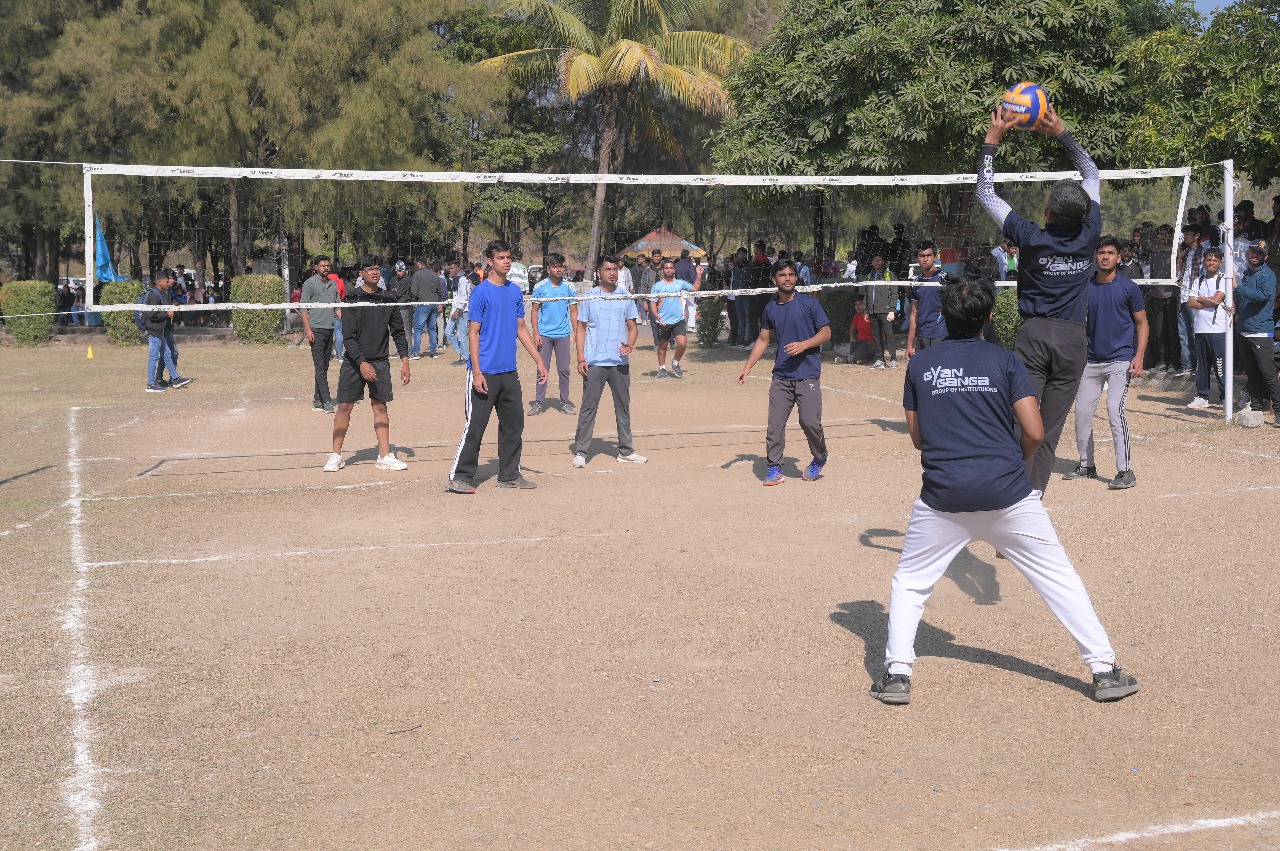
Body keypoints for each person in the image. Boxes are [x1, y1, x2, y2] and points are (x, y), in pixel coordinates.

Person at [871, 271, 1139, 706]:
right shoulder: (1006, 361)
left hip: (943, 498)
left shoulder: (921, 364)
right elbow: (1034, 431)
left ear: (942, 314)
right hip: (1009, 495)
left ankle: (898, 673)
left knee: (910, 583)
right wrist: (1015, 465)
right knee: (1058, 578)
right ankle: (1105, 670)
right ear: (989, 316)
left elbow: (918, 437)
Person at [976, 104, 1103, 494]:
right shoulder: (1090, 233)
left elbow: (984, 191)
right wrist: (1062, 133)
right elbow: (1092, 172)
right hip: (1071, 340)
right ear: (1083, 215)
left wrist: (992, 141)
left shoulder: (1030, 236)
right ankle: (1031, 502)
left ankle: (1009, 500)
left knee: (1020, 425)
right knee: (1048, 432)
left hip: (1033, 338)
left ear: (1047, 211)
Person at [448, 240, 548, 493]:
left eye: (508, 257)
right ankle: (460, 476)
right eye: (501, 257)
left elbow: (521, 328)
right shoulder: (481, 292)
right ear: (490, 262)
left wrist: (539, 360)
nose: (506, 261)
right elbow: (473, 333)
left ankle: (509, 475)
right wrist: (477, 371)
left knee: (514, 424)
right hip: (485, 371)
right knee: (476, 425)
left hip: (508, 371)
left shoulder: (514, 291)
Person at [1063, 236, 1147, 489]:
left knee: (1114, 411)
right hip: (1090, 361)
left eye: (1111, 252)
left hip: (1120, 360)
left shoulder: (1128, 287)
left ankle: (1125, 471)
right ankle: (1086, 464)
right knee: (1082, 413)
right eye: (1101, 252)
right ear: (1095, 257)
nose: (1105, 256)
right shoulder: (1086, 287)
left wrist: (1139, 356)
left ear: (1119, 258)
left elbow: (1142, 323)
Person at [737, 260, 831, 486]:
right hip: (781, 376)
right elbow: (762, 339)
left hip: (807, 374)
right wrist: (748, 366)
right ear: (774, 279)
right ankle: (774, 468)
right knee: (775, 425)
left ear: (796, 278)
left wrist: (805, 344)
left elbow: (826, 333)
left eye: (791, 274)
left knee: (809, 421)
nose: (787, 278)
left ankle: (819, 457)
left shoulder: (809, 304)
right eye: (782, 275)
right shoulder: (770, 308)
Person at [324, 256, 410, 473]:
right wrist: (362, 362)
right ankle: (335, 455)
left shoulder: (389, 298)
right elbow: (349, 337)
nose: (374, 272)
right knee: (344, 406)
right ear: (361, 273)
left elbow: (398, 332)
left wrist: (405, 361)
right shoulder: (352, 299)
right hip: (354, 362)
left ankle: (384, 455)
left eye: (377, 268)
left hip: (380, 361)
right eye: (369, 269)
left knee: (380, 406)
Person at [572, 255, 646, 468]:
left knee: (623, 406)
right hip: (594, 361)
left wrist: (630, 345)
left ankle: (626, 450)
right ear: (599, 273)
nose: (612, 273)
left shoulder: (624, 296)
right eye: (607, 269)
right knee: (589, 407)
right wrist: (580, 358)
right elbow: (581, 330)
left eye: (615, 269)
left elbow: (633, 327)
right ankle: (581, 451)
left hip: (619, 362)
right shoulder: (589, 297)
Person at [1231, 239, 1280, 428]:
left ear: (1265, 257)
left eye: (1259, 253)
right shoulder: (1247, 274)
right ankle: (1257, 408)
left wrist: (1238, 288)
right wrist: (1238, 314)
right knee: (1252, 373)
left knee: (1267, 373)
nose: (1254, 255)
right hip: (1244, 330)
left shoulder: (1267, 275)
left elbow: (1262, 297)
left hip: (1260, 332)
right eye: (1252, 251)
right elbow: (1246, 299)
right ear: (1247, 253)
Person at [529, 252, 577, 415]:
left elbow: (573, 312)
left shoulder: (569, 287)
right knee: (542, 369)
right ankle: (538, 402)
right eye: (555, 266)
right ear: (548, 269)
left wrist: (576, 333)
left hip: (563, 334)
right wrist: (536, 333)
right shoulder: (540, 287)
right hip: (544, 334)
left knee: (564, 369)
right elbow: (534, 311)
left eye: (560, 266)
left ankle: (564, 402)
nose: (558, 269)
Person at [1185, 247, 1229, 409]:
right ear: (1204, 261)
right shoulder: (1199, 279)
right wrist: (1207, 301)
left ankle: (1225, 397)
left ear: (1220, 262)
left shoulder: (1224, 279)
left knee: (1220, 365)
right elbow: (1190, 302)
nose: (1211, 263)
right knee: (1201, 366)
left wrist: (1201, 300)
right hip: (1200, 329)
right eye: (1209, 260)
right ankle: (1202, 396)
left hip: (1218, 330)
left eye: (1215, 260)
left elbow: (1216, 301)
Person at [649, 257, 701, 378]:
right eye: (666, 268)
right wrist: (657, 317)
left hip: (678, 320)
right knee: (663, 346)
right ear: (663, 270)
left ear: (674, 270)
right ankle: (662, 368)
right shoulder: (657, 286)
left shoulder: (680, 283)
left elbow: (694, 289)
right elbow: (652, 302)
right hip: (663, 321)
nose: (669, 270)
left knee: (682, 343)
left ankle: (675, 363)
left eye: (671, 268)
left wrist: (698, 275)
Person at [142, 270, 193, 393]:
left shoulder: (163, 293)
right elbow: (152, 314)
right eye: (166, 280)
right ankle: (151, 383)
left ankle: (175, 379)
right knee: (154, 357)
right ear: (159, 282)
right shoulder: (154, 295)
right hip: (154, 330)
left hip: (160, 330)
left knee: (168, 354)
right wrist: (167, 315)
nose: (169, 282)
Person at [300, 254, 339, 413]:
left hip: (329, 328)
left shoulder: (333, 284)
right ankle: (327, 401)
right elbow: (303, 309)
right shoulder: (309, 284)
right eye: (323, 265)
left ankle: (317, 399)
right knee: (320, 366)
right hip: (315, 329)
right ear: (315, 267)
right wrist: (308, 329)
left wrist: (349, 323)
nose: (326, 268)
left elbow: (337, 308)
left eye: (328, 265)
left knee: (324, 366)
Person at [906, 241, 947, 358]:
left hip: (940, 333)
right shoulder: (916, 282)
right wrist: (909, 344)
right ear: (917, 259)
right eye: (922, 256)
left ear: (935, 257)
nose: (925, 259)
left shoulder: (944, 279)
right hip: (922, 334)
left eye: (928, 255)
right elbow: (914, 314)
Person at [862, 252, 898, 368]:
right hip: (872, 311)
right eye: (875, 260)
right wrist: (866, 310)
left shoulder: (889, 275)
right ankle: (880, 359)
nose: (877, 263)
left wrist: (892, 310)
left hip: (885, 311)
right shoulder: (869, 276)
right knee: (877, 337)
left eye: (879, 260)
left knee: (889, 334)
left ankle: (893, 358)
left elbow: (894, 293)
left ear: (883, 262)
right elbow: (866, 294)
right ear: (872, 262)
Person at [409, 257, 445, 360]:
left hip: (423, 303)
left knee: (418, 329)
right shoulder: (435, 275)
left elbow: (414, 291)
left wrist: (415, 302)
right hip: (434, 303)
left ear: (420, 264)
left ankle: (416, 352)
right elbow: (440, 291)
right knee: (432, 328)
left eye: (416, 265)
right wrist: (438, 302)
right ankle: (433, 352)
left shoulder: (417, 275)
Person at [835, 297, 878, 365]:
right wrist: (852, 337)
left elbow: (882, 332)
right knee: (837, 347)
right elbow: (852, 329)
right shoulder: (856, 316)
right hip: (858, 343)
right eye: (856, 305)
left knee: (862, 351)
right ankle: (858, 359)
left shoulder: (873, 316)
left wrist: (875, 342)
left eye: (860, 304)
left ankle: (847, 360)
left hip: (869, 344)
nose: (858, 307)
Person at [446, 259, 472, 364]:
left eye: (452, 268)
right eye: (450, 269)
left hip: (462, 311)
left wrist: (458, 310)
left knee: (462, 335)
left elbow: (464, 297)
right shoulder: (455, 280)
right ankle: (462, 352)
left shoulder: (463, 280)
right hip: (455, 310)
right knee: (448, 332)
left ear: (458, 268)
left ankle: (465, 358)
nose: (450, 270)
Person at [730, 247, 753, 346]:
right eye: (739, 254)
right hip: (737, 296)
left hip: (747, 295)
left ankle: (748, 340)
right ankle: (740, 340)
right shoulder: (734, 267)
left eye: (742, 254)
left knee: (748, 318)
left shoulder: (750, 266)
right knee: (740, 318)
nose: (741, 256)